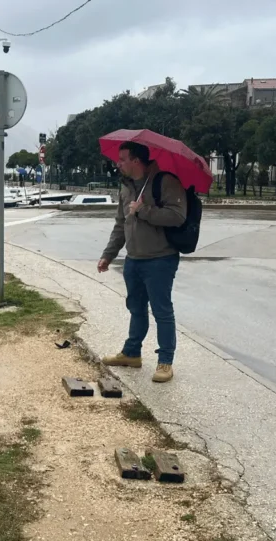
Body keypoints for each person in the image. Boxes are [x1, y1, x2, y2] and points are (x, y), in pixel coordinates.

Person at [97, 142, 187, 383]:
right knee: (136, 308)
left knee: (162, 311)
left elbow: (178, 216)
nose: (118, 163)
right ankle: (132, 353)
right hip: (133, 259)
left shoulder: (165, 181)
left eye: (122, 159)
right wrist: (108, 254)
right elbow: (121, 224)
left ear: (136, 160)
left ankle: (165, 361)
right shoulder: (126, 187)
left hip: (160, 259)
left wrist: (144, 210)